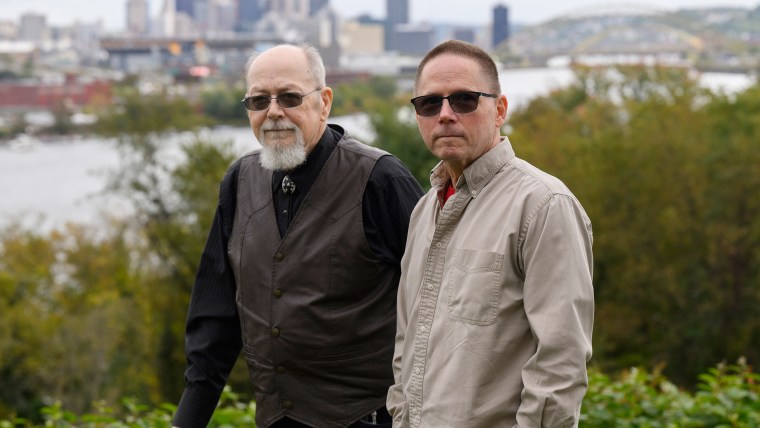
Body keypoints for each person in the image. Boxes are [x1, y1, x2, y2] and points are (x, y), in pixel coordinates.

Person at [172, 44, 424, 428]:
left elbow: (435, 305)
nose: (273, 112)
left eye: (289, 97)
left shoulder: (381, 180)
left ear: (323, 102)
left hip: (372, 418)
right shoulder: (239, 184)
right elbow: (215, 322)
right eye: (258, 101)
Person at [386, 40, 594, 427]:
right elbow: (407, 343)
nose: (445, 114)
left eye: (464, 100)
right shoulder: (422, 212)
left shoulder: (544, 206)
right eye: (429, 103)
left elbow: (561, 363)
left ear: (499, 110)